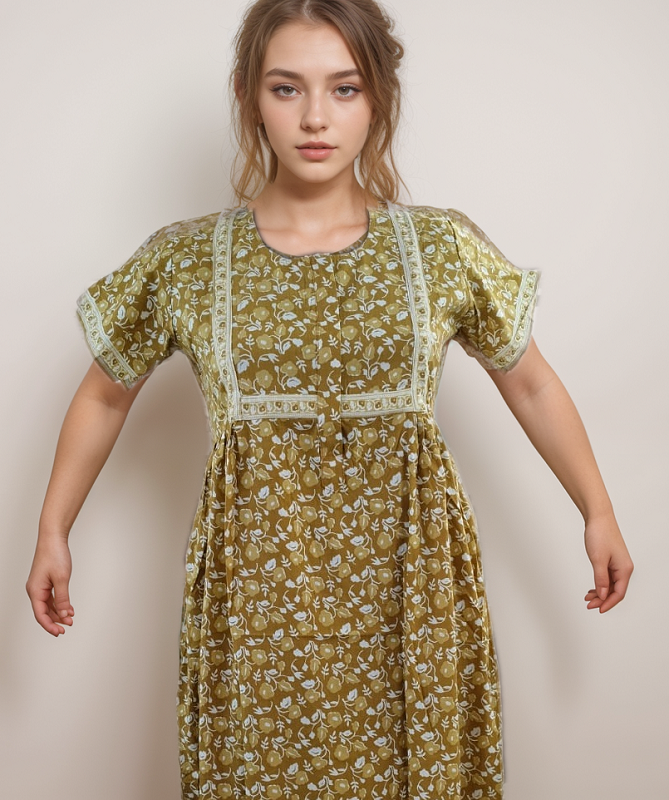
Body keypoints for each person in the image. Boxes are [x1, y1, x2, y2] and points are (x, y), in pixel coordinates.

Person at [26, 1, 634, 798]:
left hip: (411, 582)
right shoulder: (186, 259)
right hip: (257, 592)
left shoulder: (439, 246)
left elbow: (528, 380)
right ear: (248, 96)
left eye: (344, 88)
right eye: (287, 88)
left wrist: (596, 510)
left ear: (377, 97)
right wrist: (53, 529)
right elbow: (105, 396)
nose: (315, 116)